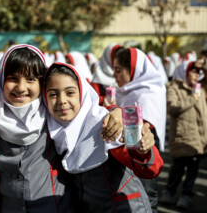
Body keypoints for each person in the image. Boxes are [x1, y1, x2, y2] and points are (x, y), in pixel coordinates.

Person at [0, 44, 123, 212]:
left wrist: (116, 111)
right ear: (1, 80)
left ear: (42, 83)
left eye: (31, 79)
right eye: (13, 79)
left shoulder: (51, 112)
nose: (21, 87)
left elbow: (88, 112)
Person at [43, 62, 163, 212]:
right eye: (53, 94)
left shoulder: (106, 124)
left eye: (70, 93)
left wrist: (143, 149)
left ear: (83, 93)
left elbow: (150, 170)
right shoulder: (54, 133)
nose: (61, 100)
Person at [112, 48, 167, 213]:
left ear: (133, 70)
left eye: (118, 71)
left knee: (147, 193)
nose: (115, 76)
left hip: (143, 148)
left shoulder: (145, 95)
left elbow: (141, 132)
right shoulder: (128, 91)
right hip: (130, 148)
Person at [160, 60, 207, 209]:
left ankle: (186, 195)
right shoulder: (175, 87)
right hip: (182, 136)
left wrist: (203, 66)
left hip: (199, 136)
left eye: (197, 72)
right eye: (193, 71)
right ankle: (169, 191)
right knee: (177, 168)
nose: (196, 75)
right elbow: (172, 108)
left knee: (193, 169)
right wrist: (191, 99)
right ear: (185, 72)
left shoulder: (201, 87)